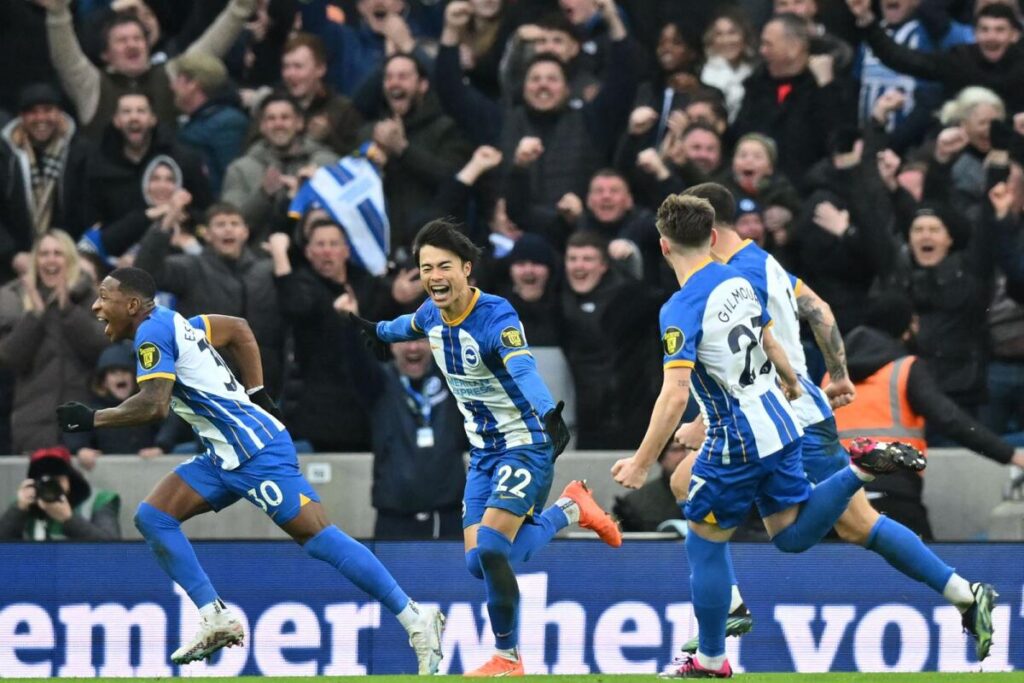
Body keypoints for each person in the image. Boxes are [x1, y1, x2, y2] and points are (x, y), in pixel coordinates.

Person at [55, 267, 445, 673]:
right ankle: (215, 616)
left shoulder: (152, 336)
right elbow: (239, 330)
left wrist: (92, 419)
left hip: (255, 453)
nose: (97, 306)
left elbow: (154, 404)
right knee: (154, 517)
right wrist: (257, 391)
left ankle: (416, 619)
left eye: (104, 297)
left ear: (132, 304)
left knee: (318, 537)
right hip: (223, 455)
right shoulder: (176, 322)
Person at [672, 183, 999, 663]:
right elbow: (819, 311)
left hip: (780, 417)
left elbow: (745, 354)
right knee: (693, 485)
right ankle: (964, 594)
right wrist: (839, 375)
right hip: (795, 409)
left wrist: (703, 420)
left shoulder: (732, 276)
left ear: (711, 229)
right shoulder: (765, 262)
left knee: (804, 529)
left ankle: (728, 609)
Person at [610, 194, 926, 678]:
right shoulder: (738, 279)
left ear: (662, 246)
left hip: (735, 440)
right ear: (712, 237)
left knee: (703, 540)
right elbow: (770, 337)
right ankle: (859, 469)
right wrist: (793, 380)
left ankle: (712, 661)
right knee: (791, 537)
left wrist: (640, 460)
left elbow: (674, 394)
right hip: (782, 424)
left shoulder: (679, 307)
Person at [351, 219, 622, 676]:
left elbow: (522, 368)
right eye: (425, 268)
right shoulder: (430, 315)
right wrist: (377, 331)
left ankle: (508, 657)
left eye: (444, 267)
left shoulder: (496, 316)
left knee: (494, 549)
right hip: (482, 456)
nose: (434, 276)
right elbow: (405, 325)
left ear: (467, 269)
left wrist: (546, 412)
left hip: (525, 445)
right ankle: (571, 509)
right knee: (481, 563)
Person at [36, 0, 256, 137]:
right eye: (122, 41)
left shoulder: (170, 74)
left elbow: (213, 43)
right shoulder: (91, 85)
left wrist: (242, 6)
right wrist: (57, 13)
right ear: (106, 54)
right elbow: (65, 57)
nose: (132, 44)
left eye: (138, 38)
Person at [0, 230, 108, 454]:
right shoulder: (14, 299)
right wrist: (35, 316)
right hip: (33, 424)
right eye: (44, 254)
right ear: (35, 261)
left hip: (80, 425)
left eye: (58, 253)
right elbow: (10, 358)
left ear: (69, 260)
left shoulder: (91, 298)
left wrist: (68, 310)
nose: (51, 260)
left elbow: (101, 348)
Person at [0, 83, 93, 281]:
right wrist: (12, 254)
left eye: (48, 110)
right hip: (12, 262)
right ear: (22, 117)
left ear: (59, 114)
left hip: (70, 258)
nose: (41, 118)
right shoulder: (4, 155)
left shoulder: (81, 151)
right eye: (33, 112)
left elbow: (90, 208)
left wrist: (78, 253)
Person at [221, 93, 338, 241]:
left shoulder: (325, 162)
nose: (278, 124)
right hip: (260, 256)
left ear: (299, 123)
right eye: (271, 119)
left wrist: (317, 188)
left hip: (318, 253)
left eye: (285, 118)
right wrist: (263, 195)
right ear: (262, 126)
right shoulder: (240, 169)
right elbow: (229, 226)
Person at [61, 341, 162, 469]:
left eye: (125, 371)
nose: (120, 375)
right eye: (113, 372)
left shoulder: (147, 408)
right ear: (103, 382)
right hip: (106, 479)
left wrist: (161, 447)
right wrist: (80, 449)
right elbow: (73, 430)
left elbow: (169, 423)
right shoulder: (93, 412)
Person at [0, 446, 120, 540]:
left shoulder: (99, 500)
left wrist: (69, 519)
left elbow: (113, 549)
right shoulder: (27, 503)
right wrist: (18, 509)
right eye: (45, 482)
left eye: (57, 480)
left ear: (70, 479)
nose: (52, 487)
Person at [171, 51, 249, 194]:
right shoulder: (192, 121)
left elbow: (231, 177)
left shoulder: (228, 123)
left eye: (178, 79)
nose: (172, 87)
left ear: (192, 84)